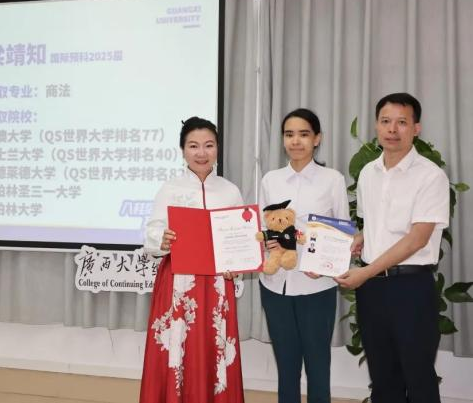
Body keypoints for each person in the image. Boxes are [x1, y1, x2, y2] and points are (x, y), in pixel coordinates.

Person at [335, 93, 449, 403]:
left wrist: (365, 272)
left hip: (411, 287)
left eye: (402, 122)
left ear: (416, 128)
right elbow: (373, 223)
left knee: (419, 377)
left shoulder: (431, 176)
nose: (392, 129)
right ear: (376, 126)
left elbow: (417, 239)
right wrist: (360, 239)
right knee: (383, 379)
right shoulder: (368, 173)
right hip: (372, 290)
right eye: (385, 121)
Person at [139, 116, 245, 403]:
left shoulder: (230, 190)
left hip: (217, 285)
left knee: (214, 345)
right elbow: (152, 232)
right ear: (182, 150)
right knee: (177, 347)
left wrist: (237, 265)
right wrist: (161, 239)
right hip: (178, 283)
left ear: (218, 148)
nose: (202, 153)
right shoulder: (170, 189)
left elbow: (241, 240)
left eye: (209, 145)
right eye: (193, 146)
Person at [258, 108, 349, 403]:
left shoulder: (332, 180)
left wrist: (325, 265)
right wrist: (267, 244)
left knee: (318, 366)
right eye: (289, 134)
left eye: (303, 134)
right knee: (286, 367)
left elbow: (342, 235)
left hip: (316, 286)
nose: (295, 141)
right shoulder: (271, 180)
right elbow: (262, 228)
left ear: (317, 138)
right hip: (276, 286)